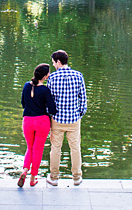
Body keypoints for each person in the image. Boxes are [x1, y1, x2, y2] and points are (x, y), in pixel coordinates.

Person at [45, 49, 87, 186]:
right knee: (75, 148)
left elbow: (49, 100)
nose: (53, 66)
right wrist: (80, 113)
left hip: (57, 119)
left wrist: (50, 114)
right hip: (74, 119)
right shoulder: (78, 76)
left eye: (54, 63)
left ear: (58, 62)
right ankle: (76, 177)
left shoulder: (52, 78)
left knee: (55, 148)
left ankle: (54, 177)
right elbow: (83, 98)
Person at [18, 63, 56, 187]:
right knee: (38, 150)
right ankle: (33, 178)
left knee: (30, 148)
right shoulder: (45, 90)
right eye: (48, 73)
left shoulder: (26, 86)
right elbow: (52, 109)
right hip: (42, 122)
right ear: (45, 76)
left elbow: (23, 104)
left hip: (27, 121)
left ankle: (24, 170)